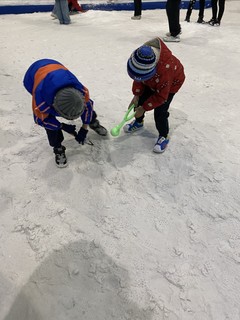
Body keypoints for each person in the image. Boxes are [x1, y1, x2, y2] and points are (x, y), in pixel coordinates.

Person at [23, 59, 107, 168]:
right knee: (51, 126)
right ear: (54, 108)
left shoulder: (81, 91)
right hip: (33, 76)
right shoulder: (41, 101)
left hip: (56, 68)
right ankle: (57, 147)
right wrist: (60, 126)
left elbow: (88, 107)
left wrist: (84, 127)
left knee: (80, 107)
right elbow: (41, 120)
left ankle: (93, 122)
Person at [124, 37, 185, 153]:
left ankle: (164, 135)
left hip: (170, 84)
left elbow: (161, 97)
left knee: (160, 112)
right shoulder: (140, 59)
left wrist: (144, 108)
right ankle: (139, 122)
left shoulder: (166, 69)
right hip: (151, 79)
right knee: (140, 100)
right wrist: (136, 95)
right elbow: (138, 79)